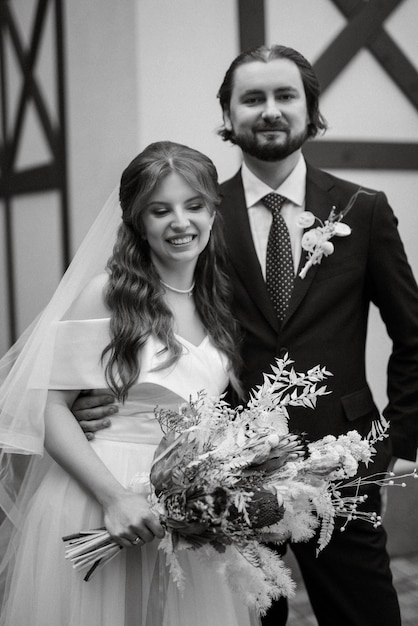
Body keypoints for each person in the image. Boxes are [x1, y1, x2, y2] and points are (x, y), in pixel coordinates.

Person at [73, 46, 418, 626]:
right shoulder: (198, 214)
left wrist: (399, 441)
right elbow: (150, 310)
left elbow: (413, 335)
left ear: (310, 109)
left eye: (286, 95)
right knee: (252, 617)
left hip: (342, 460)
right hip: (223, 471)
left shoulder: (364, 210)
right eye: (252, 98)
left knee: (367, 614)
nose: (270, 110)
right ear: (228, 116)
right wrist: (101, 393)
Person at [0, 141, 259, 626]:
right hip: (100, 496)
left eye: (194, 206)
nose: (180, 222)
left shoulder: (215, 298)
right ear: (138, 221)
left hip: (185, 508)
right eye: (160, 211)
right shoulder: (107, 294)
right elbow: (51, 410)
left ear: (211, 211)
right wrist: (115, 498)